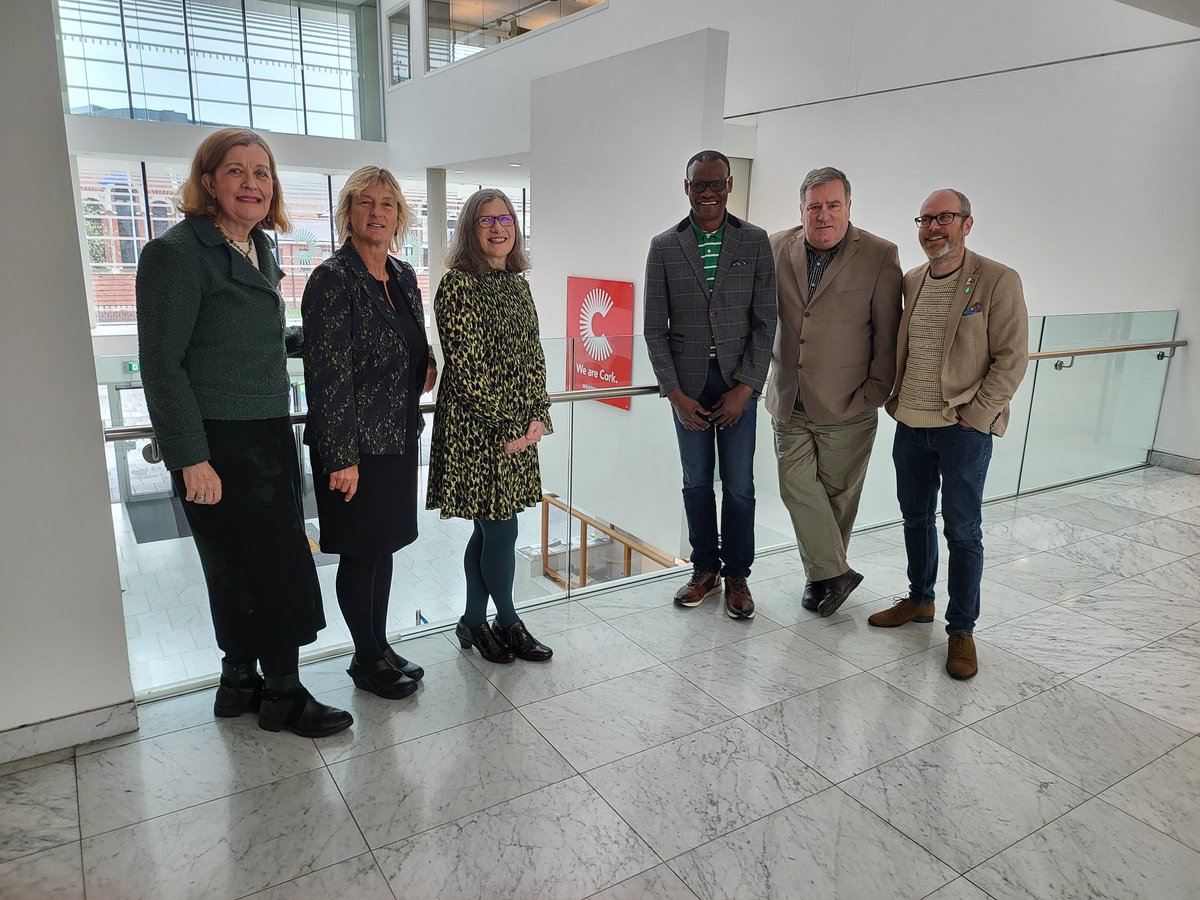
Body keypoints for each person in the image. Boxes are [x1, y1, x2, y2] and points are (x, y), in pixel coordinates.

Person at [136, 128, 351, 737]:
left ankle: (239, 683)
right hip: (220, 444)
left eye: (263, 173)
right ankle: (283, 694)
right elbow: (162, 364)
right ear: (208, 181)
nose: (252, 184)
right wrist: (190, 459)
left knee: (238, 567)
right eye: (237, 171)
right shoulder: (176, 254)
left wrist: (307, 343)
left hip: (264, 433)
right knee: (271, 567)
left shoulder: (257, 246)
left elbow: (232, 338)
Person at [870, 189, 1029, 680]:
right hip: (910, 423)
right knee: (913, 518)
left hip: (963, 430)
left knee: (962, 530)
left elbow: (1011, 358)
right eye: (926, 219)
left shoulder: (997, 279)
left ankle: (962, 630)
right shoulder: (912, 280)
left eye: (945, 218)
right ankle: (920, 600)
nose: (933, 228)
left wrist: (977, 416)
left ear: (967, 223)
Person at [301, 166, 436, 699]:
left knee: (384, 549)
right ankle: (364, 657)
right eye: (364, 202)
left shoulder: (403, 276)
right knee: (361, 552)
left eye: (386, 203)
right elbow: (326, 374)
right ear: (348, 214)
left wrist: (424, 365)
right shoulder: (331, 279)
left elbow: (413, 343)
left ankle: (379, 645)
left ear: (399, 215)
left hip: (399, 437)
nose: (376, 212)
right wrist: (341, 456)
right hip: (353, 447)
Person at [644, 149, 777, 619]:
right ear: (686, 187)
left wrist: (746, 387)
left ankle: (737, 574)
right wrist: (674, 394)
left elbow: (767, 321)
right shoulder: (664, 246)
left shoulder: (755, 241)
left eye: (716, 184)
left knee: (739, 484)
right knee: (696, 482)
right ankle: (705, 570)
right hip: (688, 386)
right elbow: (653, 329)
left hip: (738, 381)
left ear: (729, 187)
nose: (707, 192)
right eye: (698, 184)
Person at [766, 167, 901, 618]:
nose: (823, 215)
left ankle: (821, 578)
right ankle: (834, 572)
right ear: (801, 209)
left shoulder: (880, 255)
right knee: (796, 487)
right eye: (814, 206)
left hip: (850, 402)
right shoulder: (776, 246)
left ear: (848, 206)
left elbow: (887, 333)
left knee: (838, 497)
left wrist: (874, 393)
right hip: (789, 398)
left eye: (833, 205)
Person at [426, 189, 554, 664]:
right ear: (469, 230)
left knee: (490, 532)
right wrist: (507, 429)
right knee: (501, 530)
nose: (498, 228)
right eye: (486, 221)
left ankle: (472, 621)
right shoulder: (458, 285)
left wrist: (538, 414)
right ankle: (508, 620)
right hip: (479, 434)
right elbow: (467, 368)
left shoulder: (519, 284)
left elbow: (533, 356)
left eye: (505, 218)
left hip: (520, 430)